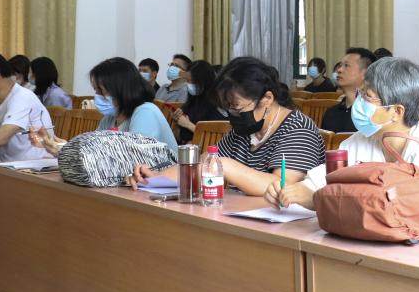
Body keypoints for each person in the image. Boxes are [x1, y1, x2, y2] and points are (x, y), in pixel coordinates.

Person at [260, 57, 419, 210]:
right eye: (361, 92)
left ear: (396, 111)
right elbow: (320, 182)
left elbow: (412, 206)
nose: (359, 101)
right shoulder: (358, 141)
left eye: (368, 96)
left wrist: (318, 199)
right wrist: (291, 191)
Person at [130, 57, 324, 196]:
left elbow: (281, 185)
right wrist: (154, 177)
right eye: (228, 107)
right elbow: (203, 164)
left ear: (267, 98)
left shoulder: (298, 129)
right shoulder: (245, 130)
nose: (233, 114)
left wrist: (226, 166)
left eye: (237, 107)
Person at [92, 58, 177, 152]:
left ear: (120, 89)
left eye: (101, 90)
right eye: (95, 90)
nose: (97, 96)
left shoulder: (145, 112)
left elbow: (136, 156)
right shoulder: (109, 119)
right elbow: (93, 148)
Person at [321, 48, 376, 133]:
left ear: (365, 74)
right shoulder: (331, 113)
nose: (339, 70)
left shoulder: (374, 114)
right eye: (340, 65)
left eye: (346, 65)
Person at [172, 60, 225, 144]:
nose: (189, 84)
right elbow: (178, 135)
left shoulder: (216, 104)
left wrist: (188, 125)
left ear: (203, 81)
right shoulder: (193, 100)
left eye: (192, 81)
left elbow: (216, 136)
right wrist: (177, 120)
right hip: (184, 146)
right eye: (187, 80)